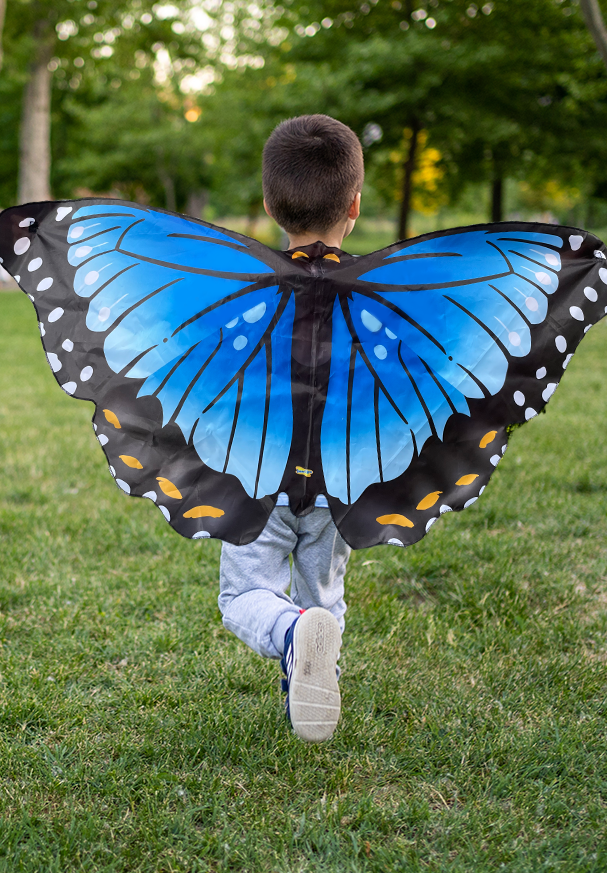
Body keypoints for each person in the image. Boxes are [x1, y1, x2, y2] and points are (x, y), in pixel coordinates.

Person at [217, 114, 364, 743]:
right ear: (354, 206)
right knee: (321, 595)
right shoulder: (376, 294)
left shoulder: (239, 290)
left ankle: (287, 638)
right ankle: (311, 662)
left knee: (245, 595)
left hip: (260, 475)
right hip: (340, 478)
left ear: (272, 207)